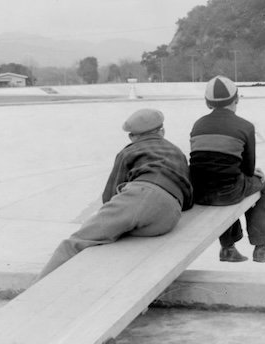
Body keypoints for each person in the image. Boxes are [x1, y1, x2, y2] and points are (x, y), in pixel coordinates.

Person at [35, 108, 194, 281]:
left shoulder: (129, 151)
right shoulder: (177, 152)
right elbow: (188, 197)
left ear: (132, 137)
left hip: (140, 197)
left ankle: (34, 293)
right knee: (122, 235)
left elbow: (109, 196)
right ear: (162, 131)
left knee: (76, 243)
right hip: (168, 218)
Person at [189, 75, 265, 263]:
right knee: (261, 185)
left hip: (199, 192)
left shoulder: (198, 125)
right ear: (237, 99)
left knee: (225, 179)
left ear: (207, 103)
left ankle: (228, 248)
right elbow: (248, 168)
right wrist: (253, 175)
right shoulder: (245, 126)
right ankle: (260, 247)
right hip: (229, 192)